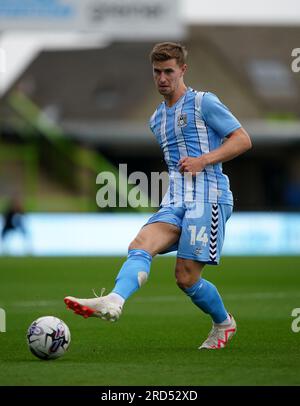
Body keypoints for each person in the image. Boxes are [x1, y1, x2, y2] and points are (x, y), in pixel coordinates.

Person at [64, 42, 252, 350]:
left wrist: (203, 160)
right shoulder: (156, 119)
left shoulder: (203, 102)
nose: (162, 78)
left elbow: (243, 139)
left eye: (168, 71)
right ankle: (113, 300)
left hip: (209, 198)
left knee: (186, 278)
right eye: (157, 72)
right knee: (140, 244)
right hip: (175, 200)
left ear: (182, 71)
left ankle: (223, 323)